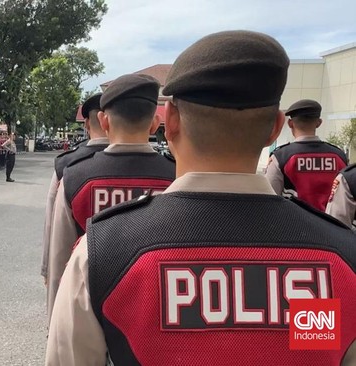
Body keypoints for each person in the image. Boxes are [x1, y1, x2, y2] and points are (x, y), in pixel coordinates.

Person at [45, 30, 356, 366]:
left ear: (172, 121)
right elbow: (311, 347)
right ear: (275, 127)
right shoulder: (339, 261)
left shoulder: (103, 252)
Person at [45, 74, 175, 321]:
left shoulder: (76, 177)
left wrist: (55, 323)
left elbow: (60, 260)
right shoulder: (175, 177)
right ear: (154, 123)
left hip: (89, 309)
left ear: (104, 122)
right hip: (154, 311)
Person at [41, 93, 108, 284]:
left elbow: (51, 223)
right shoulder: (142, 164)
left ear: (87, 124)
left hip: (76, 274)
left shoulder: (66, 165)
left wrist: (48, 269)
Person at [265, 99, 347, 211]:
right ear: (319, 123)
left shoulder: (281, 157)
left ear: (290, 124)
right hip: (332, 225)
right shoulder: (339, 156)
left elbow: (271, 198)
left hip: (294, 224)